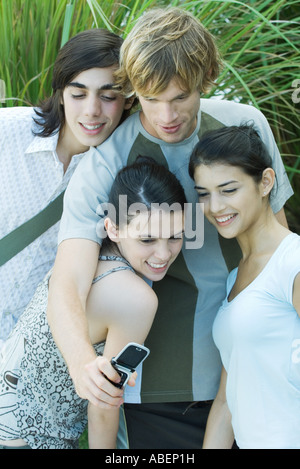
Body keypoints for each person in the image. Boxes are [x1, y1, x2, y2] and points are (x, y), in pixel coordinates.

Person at [47, 7, 294, 448]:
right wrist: (84, 363)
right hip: (158, 392)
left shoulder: (245, 127)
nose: (166, 114)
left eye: (181, 97)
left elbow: (279, 251)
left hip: (256, 371)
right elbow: (67, 279)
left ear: (206, 80)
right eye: (150, 96)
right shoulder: (106, 160)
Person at [0, 158, 186, 449]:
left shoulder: (81, 259)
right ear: (113, 228)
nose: (163, 254)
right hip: (31, 439)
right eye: (147, 239)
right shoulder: (136, 300)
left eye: (175, 237)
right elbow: (103, 404)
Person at [0, 29, 133, 349]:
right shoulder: (7, 131)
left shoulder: (123, 175)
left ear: (127, 100)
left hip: (29, 353)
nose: (91, 110)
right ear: (60, 93)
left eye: (107, 95)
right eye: (78, 93)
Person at [189, 124, 300, 449]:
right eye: (204, 194)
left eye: (228, 189)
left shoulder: (292, 263)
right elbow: (226, 402)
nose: (215, 206)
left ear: (265, 182)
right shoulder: (234, 278)